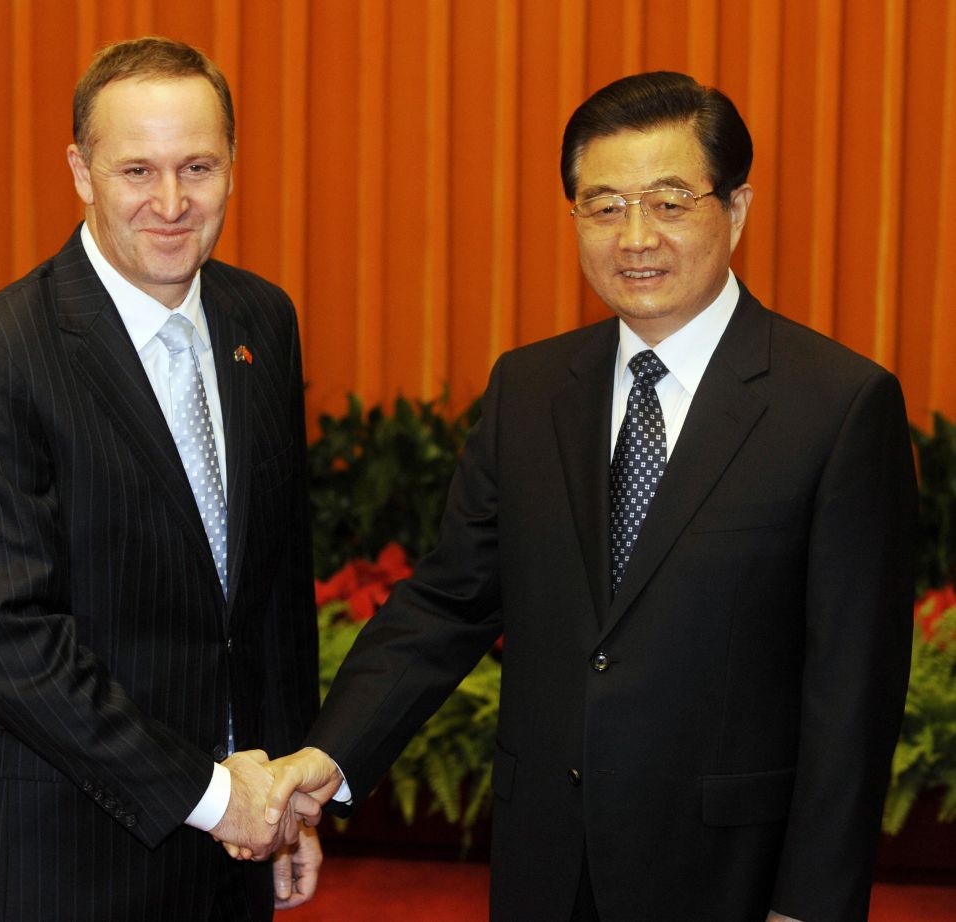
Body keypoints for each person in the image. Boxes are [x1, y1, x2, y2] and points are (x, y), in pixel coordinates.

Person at [261, 72, 917, 922]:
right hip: (547, 865)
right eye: (603, 206)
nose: (635, 237)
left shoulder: (836, 405)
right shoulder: (531, 389)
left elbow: (853, 693)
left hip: (729, 877)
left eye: (670, 202)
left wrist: (811, 905)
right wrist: (329, 756)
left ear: (738, 208)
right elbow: (447, 601)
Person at [0, 36, 321, 922]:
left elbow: (276, 590)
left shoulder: (263, 320)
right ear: (82, 172)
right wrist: (212, 794)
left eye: (197, 167)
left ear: (234, 167)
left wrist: (284, 801)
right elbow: (11, 641)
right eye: (137, 170)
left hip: (231, 850)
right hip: (54, 855)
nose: (171, 203)